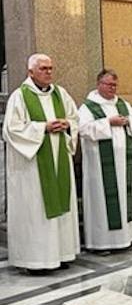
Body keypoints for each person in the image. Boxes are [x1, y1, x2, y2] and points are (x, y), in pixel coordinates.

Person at [2, 54, 80, 274]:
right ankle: (36, 260)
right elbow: (11, 130)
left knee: (61, 205)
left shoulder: (60, 93)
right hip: (33, 167)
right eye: (43, 68)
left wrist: (67, 125)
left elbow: (75, 118)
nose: (49, 72)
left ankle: (62, 254)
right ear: (30, 72)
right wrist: (43, 128)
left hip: (59, 160)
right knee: (36, 210)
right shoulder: (20, 96)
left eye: (50, 68)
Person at [78, 69, 132, 251]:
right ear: (99, 84)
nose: (112, 88)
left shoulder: (123, 104)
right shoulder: (88, 107)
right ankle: (102, 243)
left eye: (115, 85)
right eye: (109, 84)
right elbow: (82, 129)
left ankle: (126, 238)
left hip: (123, 164)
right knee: (102, 202)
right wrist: (108, 122)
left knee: (124, 199)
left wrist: (129, 122)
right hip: (100, 167)